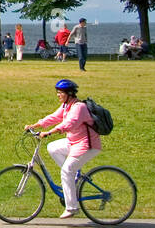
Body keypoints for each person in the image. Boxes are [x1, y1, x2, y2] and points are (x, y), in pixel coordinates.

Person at [26, 79, 102, 218]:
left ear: (70, 94)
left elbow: (69, 124)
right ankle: (75, 175)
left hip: (86, 145)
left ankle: (72, 207)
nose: (58, 95)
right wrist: (35, 125)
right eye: (57, 92)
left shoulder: (79, 107)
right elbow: (54, 117)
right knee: (53, 147)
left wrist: (50, 132)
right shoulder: (66, 106)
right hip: (73, 142)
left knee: (66, 171)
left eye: (61, 92)